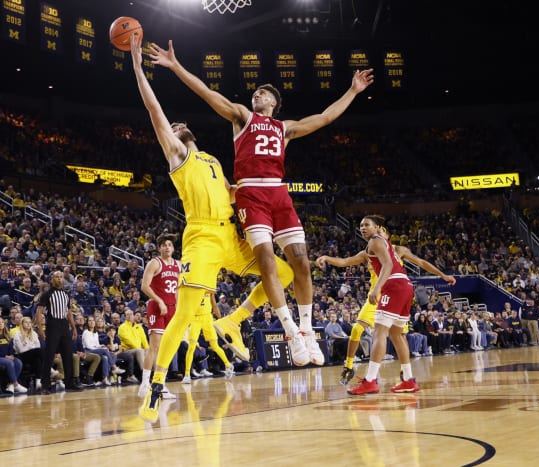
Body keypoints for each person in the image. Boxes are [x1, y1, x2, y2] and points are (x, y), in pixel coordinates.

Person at [147, 39, 374, 368]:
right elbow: (208, 95)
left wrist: (352, 91)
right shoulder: (242, 117)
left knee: (302, 263)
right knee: (266, 259)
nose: (258, 94)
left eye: (264, 93)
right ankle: (290, 331)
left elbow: (325, 117)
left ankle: (307, 330)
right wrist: (176, 66)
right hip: (251, 194)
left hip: (279, 194)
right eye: (256, 92)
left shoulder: (285, 128)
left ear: (275, 103)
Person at [129, 34, 292, 421]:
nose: (176, 124)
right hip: (201, 237)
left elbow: (235, 196)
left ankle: (232, 321)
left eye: (181, 123)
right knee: (183, 316)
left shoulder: (215, 161)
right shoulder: (179, 154)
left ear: (194, 133)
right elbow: (155, 111)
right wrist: (138, 68)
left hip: (230, 237)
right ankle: (156, 384)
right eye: (174, 124)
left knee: (282, 273)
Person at [316, 228, 455, 384]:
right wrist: (327, 257)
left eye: (382, 231)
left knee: (400, 336)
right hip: (375, 296)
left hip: (395, 293)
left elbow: (421, 262)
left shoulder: (398, 250)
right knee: (357, 329)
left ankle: (404, 371)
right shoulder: (367, 252)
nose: (378, 234)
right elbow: (345, 261)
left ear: (387, 235)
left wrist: (442, 275)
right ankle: (348, 367)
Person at [337, 215, 419, 395]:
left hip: (391, 287)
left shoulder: (376, 241)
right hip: (405, 286)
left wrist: (376, 289)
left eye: (367, 225)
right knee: (397, 335)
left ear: (378, 228)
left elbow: (389, 265)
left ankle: (370, 380)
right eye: (360, 225)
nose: (362, 228)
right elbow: (346, 261)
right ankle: (409, 379)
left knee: (380, 333)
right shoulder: (380, 246)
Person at [138, 233, 181, 399]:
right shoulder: (154, 263)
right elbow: (144, 286)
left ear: (173, 248)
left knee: (167, 349)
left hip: (172, 309)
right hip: (157, 307)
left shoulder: (179, 265)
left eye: (169, 244)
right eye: (163, 245)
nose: (167, 247)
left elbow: (178, 289)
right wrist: (160, 301)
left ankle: (160, 385)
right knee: (154, 347)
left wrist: (178, 307)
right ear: (159, 248)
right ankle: (144, 383)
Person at [34, 271, 83, 392]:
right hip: (52, 325)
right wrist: (40, 329)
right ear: (52, 279)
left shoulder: (66, 294)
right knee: (49, 356)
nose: (59, 279)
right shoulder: (47, 294)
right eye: (57, 277)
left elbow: (69, 312)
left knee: (68, 355)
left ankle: (69, 383)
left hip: (64, 326)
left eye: (61, 277)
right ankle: (45, 385)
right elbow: (39, 312)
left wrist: (74, 328)